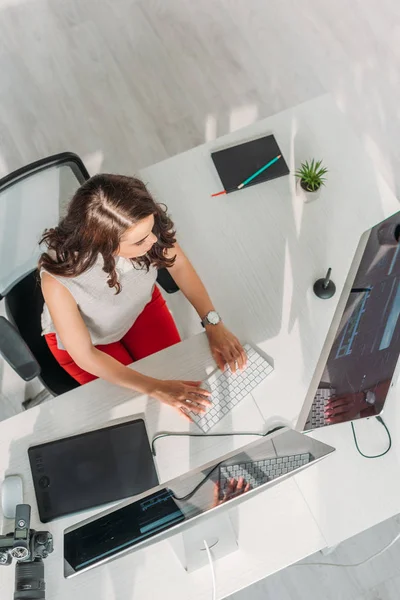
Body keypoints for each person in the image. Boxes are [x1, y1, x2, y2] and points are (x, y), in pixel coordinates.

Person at [39, 174, 247, 421]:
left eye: (151, 229)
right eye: (140, 241)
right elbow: (85, 355)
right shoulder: (57, 278)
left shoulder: (143, 223)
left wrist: (213, 323)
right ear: (104, 244)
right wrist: (154, 387)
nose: (155, 240)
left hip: (139, 308)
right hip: (92, 343)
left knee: (188, 384)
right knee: (144, 414)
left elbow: (178, 265)